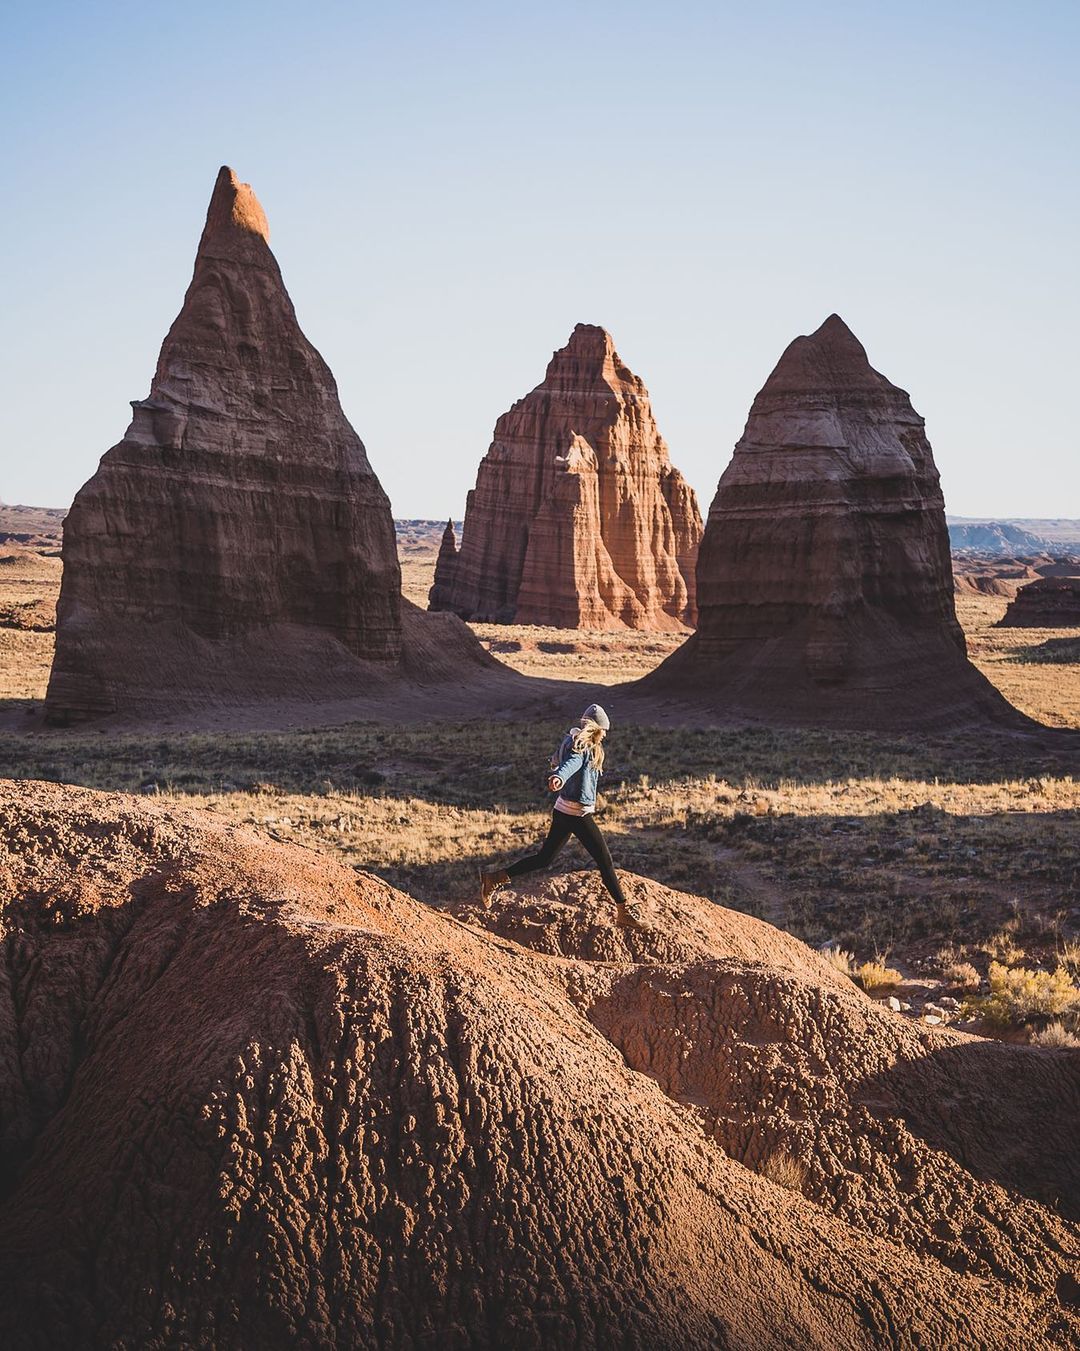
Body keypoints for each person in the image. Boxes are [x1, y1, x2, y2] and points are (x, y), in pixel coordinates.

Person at [479, 703, 647, 928]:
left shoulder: (573, 741)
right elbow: (571, 764)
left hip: (563, 810)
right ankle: (623, 911)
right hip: (577, 813)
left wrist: (559, 774)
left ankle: (495, 878)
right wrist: (559, 777)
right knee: (605, 861)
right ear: (596, 728)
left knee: (545, 858)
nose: (605, 735)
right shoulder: (582, 745)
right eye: (604, 730)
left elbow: (562, 759)